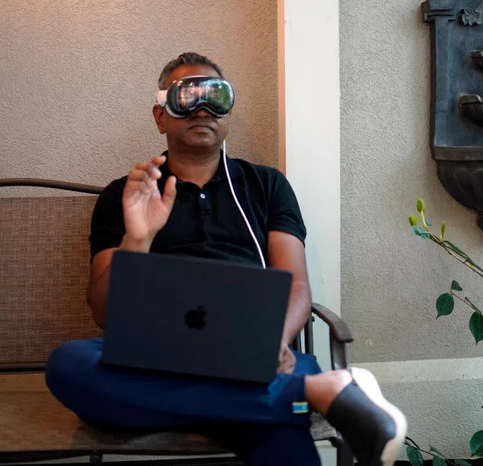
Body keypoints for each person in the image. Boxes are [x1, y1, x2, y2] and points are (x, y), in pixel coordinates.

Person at [45, 52, 407, 466]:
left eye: (215, 96)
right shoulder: (126, 194)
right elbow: (105, 313)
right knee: (67, 365)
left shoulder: (267, 185)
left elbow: (297, 287)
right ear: (161, 116)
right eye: (187, 97)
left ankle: (233, 400)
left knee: (276, 422)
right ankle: (310, 394)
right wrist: (138, 237)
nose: (202, 109)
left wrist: (271, 341)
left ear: (229, 111)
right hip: (158, 361)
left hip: (255, 356)